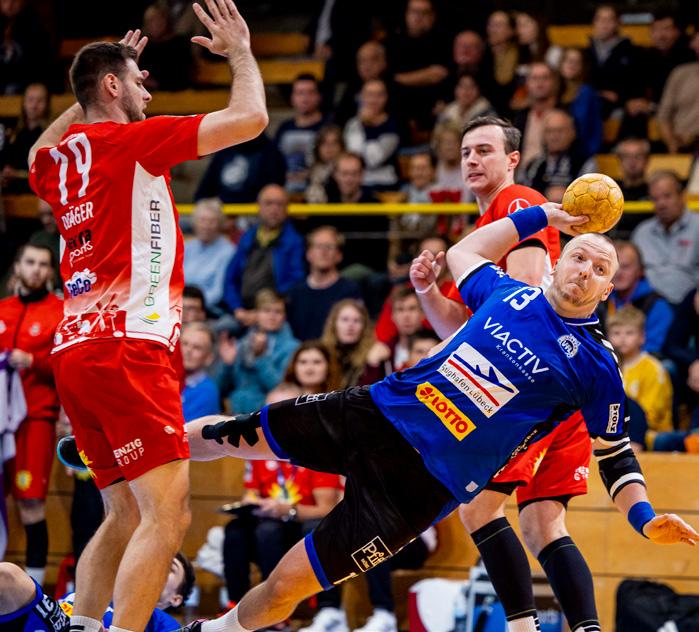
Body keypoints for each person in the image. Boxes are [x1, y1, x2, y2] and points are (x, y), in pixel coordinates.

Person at [178, 202, 698, 632]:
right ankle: (154, 447)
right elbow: (465, 251)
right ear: (558, 262)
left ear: (608, 291)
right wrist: (542, 215)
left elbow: (615, 454)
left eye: (600, 270)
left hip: (420, 489)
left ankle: (212, 631)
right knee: (232, 432)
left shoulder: (597, 365)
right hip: (375, 415)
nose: (585, 271)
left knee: (285, 586)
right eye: (579, 257)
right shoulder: (508, 292)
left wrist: (644, 518)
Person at [28, 2, 268, 630]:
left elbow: (36, 149)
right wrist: (241, 52)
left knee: (124, 514)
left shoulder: (61, 163)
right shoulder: (131, 141)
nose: (147, 91)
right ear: (112, 87)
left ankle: (83, 626)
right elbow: (251, 118)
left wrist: (91, 88)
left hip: (75, 352)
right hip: (128, 347)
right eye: (137, 81)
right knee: (168, 515)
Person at [409, 116, 601, 631]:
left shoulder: (516, 200)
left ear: (512, 159)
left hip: (530, 383)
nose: (472, 160)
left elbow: (525, 289)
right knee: (542, 524)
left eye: (484, 150)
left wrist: (445, 356)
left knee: (478, 509)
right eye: (466, 152)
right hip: (560, 383)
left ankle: (521, 627)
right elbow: (459, 320)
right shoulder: (482, 233)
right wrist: (428, 291)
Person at [223, 383, 343, 630]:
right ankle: (236, 607)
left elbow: (327, 509)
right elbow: (251, 495)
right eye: (271, 411)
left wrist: (287, 511)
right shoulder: (257, 450)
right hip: (269, 525)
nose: (277, 418)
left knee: (274, 530)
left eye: (285, 409)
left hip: (303, 527)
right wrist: (250, 505)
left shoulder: (321, 450)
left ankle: (277, 610)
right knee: (235, 531)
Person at [0, 244, 63, 586]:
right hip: (1, 423)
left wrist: (34, 362)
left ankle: (36, 591)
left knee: (31, 505)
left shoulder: (59, 312)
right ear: (17, 267)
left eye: (43, 264)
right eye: (30, 262)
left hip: (35, 420)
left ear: (51, 272)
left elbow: (67, 365)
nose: (36, 269)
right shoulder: (3, 309)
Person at [0, 552, 195, 632]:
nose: (155, 567)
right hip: (56, 623)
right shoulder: (101, 588)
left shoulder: (164, 624)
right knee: (7, 577)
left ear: (175, 599)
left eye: (170, 568)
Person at [222, 184, 305, 326]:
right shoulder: (246, 238)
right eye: (269, 203)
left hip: (276, 315)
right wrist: (237, 309)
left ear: (286, 209)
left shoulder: (295, 242)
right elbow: (230, 279)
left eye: (279, 204)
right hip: (242, 312)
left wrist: (265, 311)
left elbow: (296, 282)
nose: (274, 209)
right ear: (258, 206)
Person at [217, 289, 299, 413]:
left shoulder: (292, 347)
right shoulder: (242, 342)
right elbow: (221, 388)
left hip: (268, 413)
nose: (272, 316)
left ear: (284, 316)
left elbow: (281, 389)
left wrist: (261, 357)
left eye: (278, 311)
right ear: (256, 314)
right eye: (266, 311)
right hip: (236, 412)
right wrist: (227, 365)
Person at [607, 306, 673, 451]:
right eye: (616, 333)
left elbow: (651, 416)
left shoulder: (653, 369)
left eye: (629, 333)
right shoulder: (607, 365)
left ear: (642, 337)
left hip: (650, 433)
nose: (622, 339)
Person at [631, 170, 699, 305]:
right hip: (648, 305)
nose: (661, 204)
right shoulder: (642, 232)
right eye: (655, 199)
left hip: (689, 305)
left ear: (682, 196)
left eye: (667, 196)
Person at [286, 226, 361, 341]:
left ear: (339, 256)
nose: (323, 252)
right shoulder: (295, 292)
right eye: (318, 246)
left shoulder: (350, 290)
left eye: (329, 247)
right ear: (308, 254)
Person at [599, 241, 674, 356]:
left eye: (625, 267)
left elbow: (653, 351)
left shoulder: (657, 305)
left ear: (641, 270)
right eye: (614, 266)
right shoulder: (600, 299)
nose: (618, 273)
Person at [342, 79, 400, 191]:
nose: (373, 100)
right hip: (356, 183)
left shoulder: (393, 125)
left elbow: (372, 160)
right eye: (369, 95)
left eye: (379, 95)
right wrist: (360, 123)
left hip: (385, 183)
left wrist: (367, 129)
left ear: (386, 97)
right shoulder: (353, 123)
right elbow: (354, 154)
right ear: (361, 97)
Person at [521, 109, 597, 193]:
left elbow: (588, 196)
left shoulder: (585, 163)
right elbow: (524, 195)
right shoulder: (533, 165)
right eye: (549, 131)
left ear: (572, 133)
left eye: (560, 131)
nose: (554, 137)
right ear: (543, 135)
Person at [321, 299, 389, 388]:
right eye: (345, 320)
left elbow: (371, 392)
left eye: (357, 320)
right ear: (334, 324)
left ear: (364, 326)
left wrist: (373, 365)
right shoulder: (322, 352)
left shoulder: (374, 352)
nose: (350, 325)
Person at [184, 198, 236, 315]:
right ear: (195, 223)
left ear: (220, 224)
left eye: (212, 221)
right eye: (202, 220)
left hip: (208, 310)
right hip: (181, 306)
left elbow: (218, 292)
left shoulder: (228, 251)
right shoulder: (187, 247)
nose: (206, 226)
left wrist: (191, 306)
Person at [274, 74, 325, 193]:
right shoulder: (284, 128)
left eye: (310, 93)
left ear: (319, 96)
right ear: (292, 97)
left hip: (318, 193)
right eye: (300, 93)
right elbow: (275, 161)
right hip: (284, 192)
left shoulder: (327, 127)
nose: (305, 98)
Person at [0, 83, 50, 194]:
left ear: (47, 104)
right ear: (24, 103)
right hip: (9, 189)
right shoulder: (14, 133)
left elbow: (47, 172)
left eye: (40, 101)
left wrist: (17, 174)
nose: (34, 105)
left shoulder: (49, 135)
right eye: (30, 100)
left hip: (35, 190)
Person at [657, 30, 699, 153]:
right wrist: (672, 143)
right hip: (684, 144)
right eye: (695, 40)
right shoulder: (680, 73)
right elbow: (663, 115)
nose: (695, 44)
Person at [557, 47, 602, 157]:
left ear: (583, 67)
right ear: (561, 63)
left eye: (576, 62)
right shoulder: (554, 89)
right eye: (568, 60)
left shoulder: (587, 93)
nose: (571, 65)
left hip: (579, 152)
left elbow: (585, 128)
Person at [181, 322, 220, 422]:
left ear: (209, 358)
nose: (188, 350)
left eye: (197, 347)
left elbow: (186, 429)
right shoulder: (162, 377)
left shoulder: (207, 392)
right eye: (184, 344)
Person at [305, 124, 345, 203]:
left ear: (341, 146)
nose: (329, 147)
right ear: (318, 147)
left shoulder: (348, 168)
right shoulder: (312, 172)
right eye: (324, 143)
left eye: (334, 143)